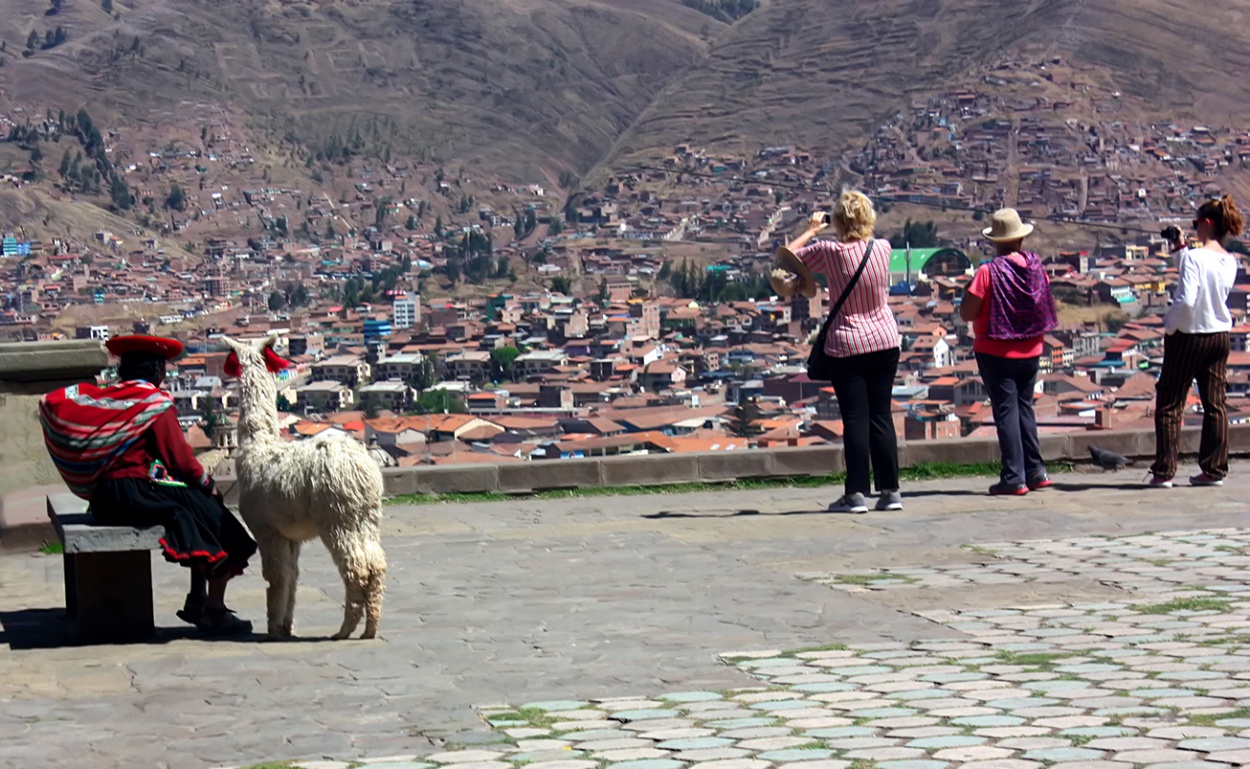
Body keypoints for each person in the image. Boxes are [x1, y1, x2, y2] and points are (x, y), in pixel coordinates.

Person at [39, 335, 256, 635]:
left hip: (104, 499)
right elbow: (180, 461)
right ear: (157, 371)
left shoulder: (108, 399)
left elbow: (51, 403)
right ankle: (213, 609)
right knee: (214, 518)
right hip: (135, 494)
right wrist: (209, 486)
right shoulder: (154, 404)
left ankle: (198, 599)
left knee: (195, 510)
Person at [772, 190, 902, 513]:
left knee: (856, 418)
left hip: (848, 343)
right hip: (885, 340)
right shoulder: (883, 248)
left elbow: (787, 255)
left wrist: (814, 228)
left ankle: (856, 494)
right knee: (881, 416)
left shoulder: (831, 251)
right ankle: (890, 492)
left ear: (839, 221)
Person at [960, 208, 1057, 496]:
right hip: (1032, 347)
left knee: (1006, 410)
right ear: (1020, 239)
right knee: (1025, 407)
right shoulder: (1036, 267)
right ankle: (1035, 470)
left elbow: (968, 312)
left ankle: (1014, 476)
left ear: (995, 241)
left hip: (995, 351)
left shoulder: (987, 272)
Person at [1149, 195, 1243, 488]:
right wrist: (1180, 247)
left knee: (1170, 402)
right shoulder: (1229, 261)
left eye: (1195, 223)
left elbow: (1188, 298)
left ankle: (1164, 471)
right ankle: (1214, 470)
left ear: (1205, 223)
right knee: (1215, 404)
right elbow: (1201, 271)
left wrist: (1170, 326)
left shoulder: (1194, 258)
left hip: (1189, 337)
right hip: (1219, 336)